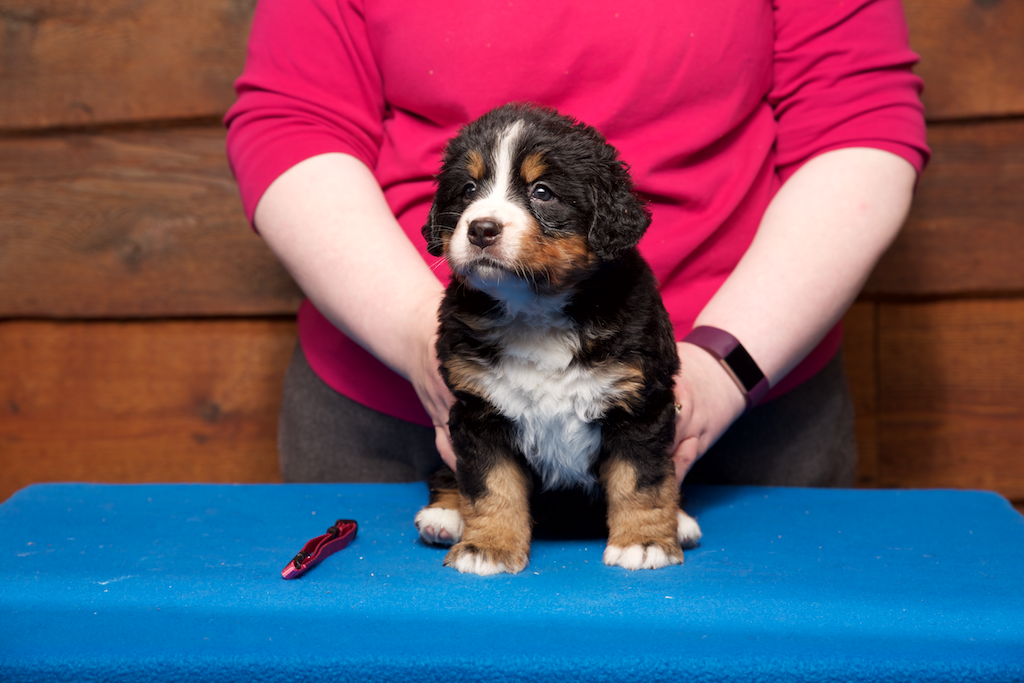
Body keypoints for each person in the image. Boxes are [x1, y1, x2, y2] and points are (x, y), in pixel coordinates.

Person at [225, 0, 929, 489]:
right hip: (397, 405)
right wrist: (422, 340)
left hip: (744, 397)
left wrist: (725, 367)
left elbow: (857, 122)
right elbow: (294, 122)